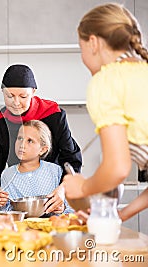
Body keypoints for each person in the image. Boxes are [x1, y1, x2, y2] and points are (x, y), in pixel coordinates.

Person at [63, 3, 148, 222]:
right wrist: (119, 215)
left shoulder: (107, 80)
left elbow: (118, 168)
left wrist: (82, 186)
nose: (83, 59)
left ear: (93, 43)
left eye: (80, 49)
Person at [0, 64, 82, 212]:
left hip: (53, 192)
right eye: (9, 96)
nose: (16, 103)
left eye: (23, 96)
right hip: (19, 195)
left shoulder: (54, 116)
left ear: (33, 92)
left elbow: (72, 158)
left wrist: (62, 190)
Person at [0, 120, 72, 214]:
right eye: (20, 138)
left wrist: (62, 208)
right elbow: (5, 211)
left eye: (30, 141)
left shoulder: (55, 171)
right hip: (20, 226)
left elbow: (69, 205)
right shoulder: (7, 174)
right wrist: (0, 202)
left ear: (42, 149)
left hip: (51, 225)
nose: (22, 145)